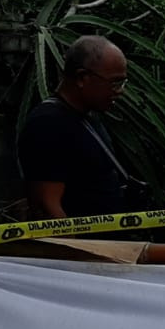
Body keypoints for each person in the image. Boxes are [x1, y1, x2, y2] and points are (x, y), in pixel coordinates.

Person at [17, 34, 141, 221]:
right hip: (84, 247)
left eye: (122, 83)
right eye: (114, 83)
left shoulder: (88, 118)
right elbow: (47, 205)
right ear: (82, 77)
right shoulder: (48, 124)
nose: (120, 91)